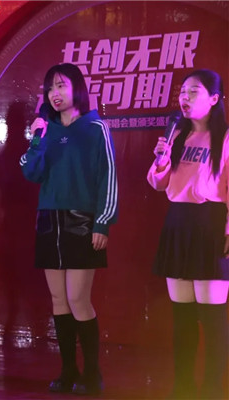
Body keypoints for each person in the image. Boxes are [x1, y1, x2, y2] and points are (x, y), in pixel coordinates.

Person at [19, 63, 118, 395]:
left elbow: (108, 177)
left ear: (77, 88)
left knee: (78, 299)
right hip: (49, 221)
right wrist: (36, 139)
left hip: (82, 221)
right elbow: (30, 173)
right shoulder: (45, 129)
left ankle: (92, 373)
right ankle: (67, 370)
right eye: (50, 88)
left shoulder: (95, 127)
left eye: (61, 85)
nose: (55, 93)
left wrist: (102, 222)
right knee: (59, 300)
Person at [147, 69, 228, 400]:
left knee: (212, 318)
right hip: (178, 223)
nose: (185, 97)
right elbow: (158, 183)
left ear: (214, 99)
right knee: (182, 318)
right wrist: (162, 159)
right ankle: (183, 388)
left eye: (194, 91)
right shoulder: (176, 136)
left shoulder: (225, 138)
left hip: (211, 224)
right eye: (182, 91)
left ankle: (213, 390)